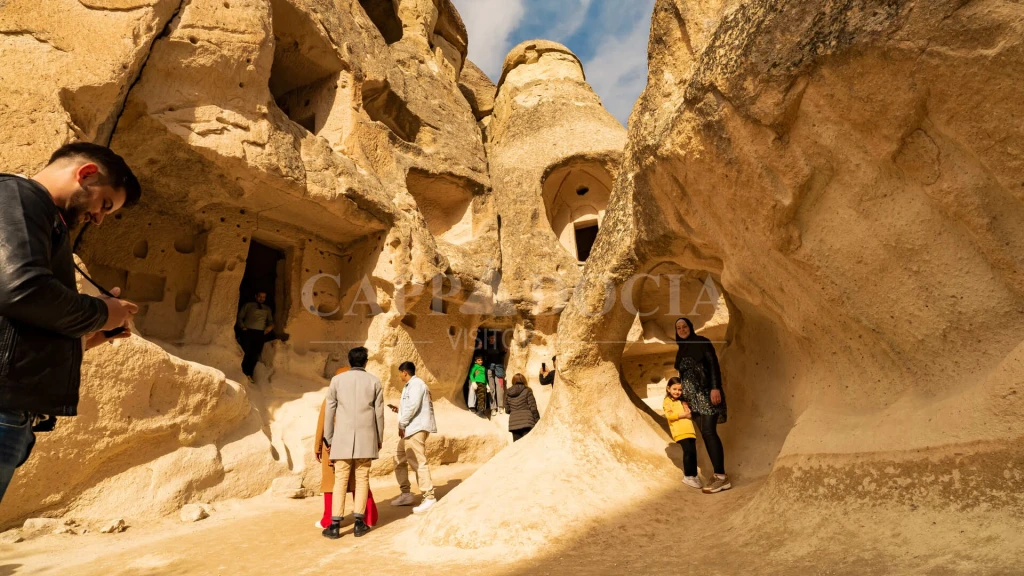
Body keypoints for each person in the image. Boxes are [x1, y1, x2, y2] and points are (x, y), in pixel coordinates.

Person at [0, 143, 141, 503]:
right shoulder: (18, 196)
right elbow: (21, 289)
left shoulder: (40, 216)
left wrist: (87, 337)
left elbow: (20, 320)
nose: (98, 218)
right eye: (105, 204)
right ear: (86, 174)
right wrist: (101, 311)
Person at [321, 347, 384, 539]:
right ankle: (359, 523)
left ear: (349, 361)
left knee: (340, 479)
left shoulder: (337, 380)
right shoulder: (374, 381)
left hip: (342, 438)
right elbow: (379, 414)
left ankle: (334, 525)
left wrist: (328, 438)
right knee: (362, 478)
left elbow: (329, 411)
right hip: (366, 438)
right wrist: (379, 439)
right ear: (366, 362)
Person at [313, 366, 378, 529]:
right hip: (359, 445)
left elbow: (323, 423)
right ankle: (369, 517)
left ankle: (330, 521)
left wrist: (318, 446)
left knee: (331, 484)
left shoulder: (331, 396)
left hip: (334, 447)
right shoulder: (361, 396)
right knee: (361, 482)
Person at [675, 317, 730, 494]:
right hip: (692, 400)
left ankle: (721, 477)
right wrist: (683, 399)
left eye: (684, 326)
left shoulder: (702, 342)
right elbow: (684, 377)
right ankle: (717, 475)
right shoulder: (681, 349)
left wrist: (715, 387)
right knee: (705, 435)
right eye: (679, 328)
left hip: (706, 394)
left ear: (690, 327)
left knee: (709, 432)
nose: (682, 329)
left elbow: (713, 365)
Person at [388, 361, 438, 514]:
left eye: (400, 373)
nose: (400, 376)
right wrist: (400, 410)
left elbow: (413, 406)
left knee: (418, 462)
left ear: (404, 372)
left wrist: (402, 423)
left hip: (415, 428)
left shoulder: (416, 384)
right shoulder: (411, 386)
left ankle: (429, 497)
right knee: (399, 458)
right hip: (411, 428)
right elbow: (411, 406)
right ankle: (406, 494)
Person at [663, 377, 700, 488]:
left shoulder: (682, 401)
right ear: (668, 388)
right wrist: (683, 415)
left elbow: (689, 412)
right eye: (674, 389)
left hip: (690, 430)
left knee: (693, 453)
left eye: (680, 390)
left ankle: (694, 475)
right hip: (680, 431)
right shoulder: (667, 401)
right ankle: (688, 476)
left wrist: (685, 406)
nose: (677, 392)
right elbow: (669, 416)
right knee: (688, 452)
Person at [236, 291, 274, 384]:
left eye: (264, 297)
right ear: (255, 296)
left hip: (260, 333)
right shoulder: (248, 305)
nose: (262, 299)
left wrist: (269, 328)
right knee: (245, 352)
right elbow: (240, 317)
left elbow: (270, 321)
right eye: (260, 296)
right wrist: (243, 327)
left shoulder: (267, 309)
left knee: (255, 354)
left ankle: (249, 374)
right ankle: (240, 373)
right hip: (247, 331)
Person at [504, 373, 539, 441]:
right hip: (527, 421)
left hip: (514, 423)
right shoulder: (527, 390)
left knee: (518, 447)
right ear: (524, 380)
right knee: (528, 444)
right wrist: (537, 420)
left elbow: (507, 410)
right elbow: (533, 408)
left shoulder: (508, 392)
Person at [484, 333, 506, 415]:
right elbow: (487, 355)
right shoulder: (486, 347)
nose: (492, 340)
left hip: (498, 368)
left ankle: (500, 406)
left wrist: (503, 352)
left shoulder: (498, 346)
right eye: (491, 338)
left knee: (500, 387)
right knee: (491, 388)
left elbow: (498, 355)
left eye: (494, 338)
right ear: (488, 339)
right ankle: (493, 407)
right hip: (490, 368)